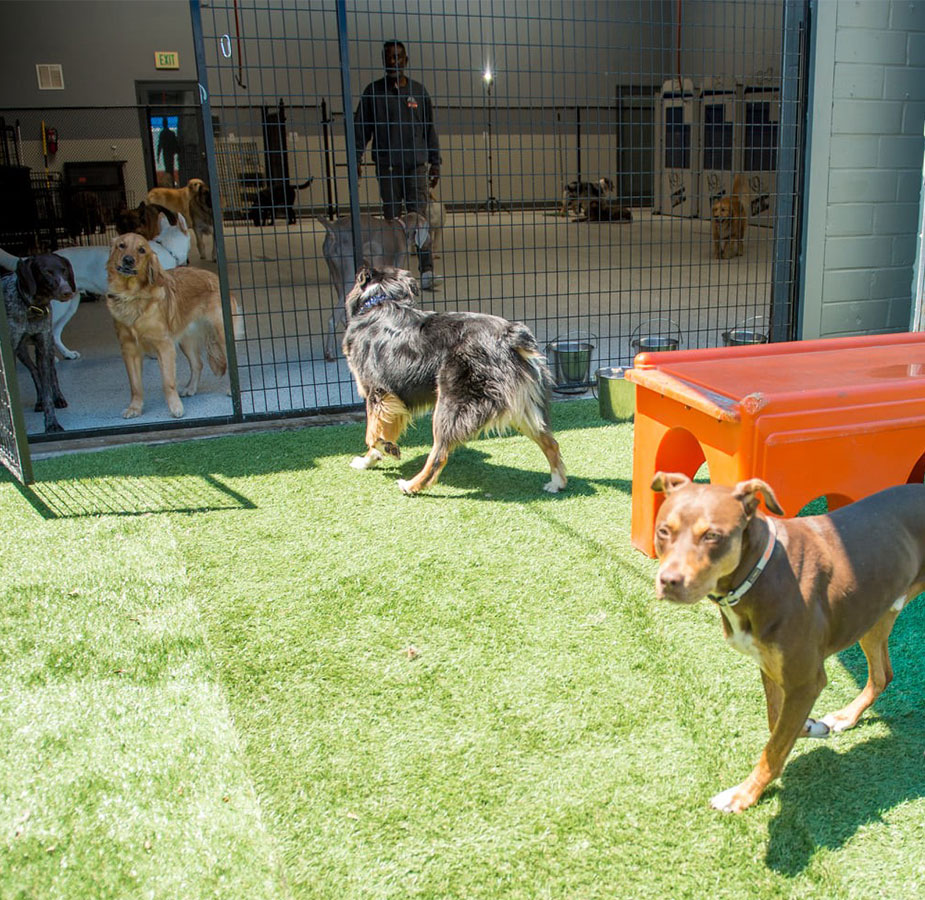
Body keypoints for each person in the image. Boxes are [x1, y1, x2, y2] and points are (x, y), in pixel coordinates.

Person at [354, 40, 441, 289]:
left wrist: (435, 162)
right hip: (388, 167)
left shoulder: (419, 92)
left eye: (398, 57)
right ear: (384, 61)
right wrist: (357, 158)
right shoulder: (373, 93)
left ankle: (426, 272)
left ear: (406, 60)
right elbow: (362, 130)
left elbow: (429, 129)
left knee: (420, 219)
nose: (394, 61)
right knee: (392, 222)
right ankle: (396, 275)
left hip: (416, 167)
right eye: (389, 57)